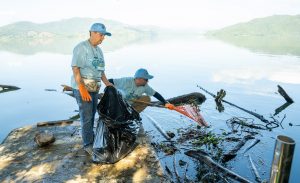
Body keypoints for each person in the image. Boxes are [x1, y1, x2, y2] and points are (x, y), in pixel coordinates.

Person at [71, 23, 113, 154]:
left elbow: (101, 71)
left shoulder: (99, 51)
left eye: (104, 36)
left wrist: (108, 84)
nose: (103, 38)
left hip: (95, 88)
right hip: (82, 88)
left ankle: (91, 138)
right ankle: (88, 144)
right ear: (92, 33)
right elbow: (75, 69)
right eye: (101, 35)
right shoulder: (81, 48)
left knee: (92, 114)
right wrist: (82, 89)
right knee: (87, 117)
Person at [108, 68, 175, 112]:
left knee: (147, 99)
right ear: (139, 79)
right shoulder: (126, 80)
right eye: (146, 79)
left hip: (130, 104)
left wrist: (165, 103)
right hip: (118, 103)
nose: (147, 81)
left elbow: (155, 94)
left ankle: (132, 113)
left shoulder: (145, 86)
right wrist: (111, 92)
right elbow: (109, 81)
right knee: (121, 93)